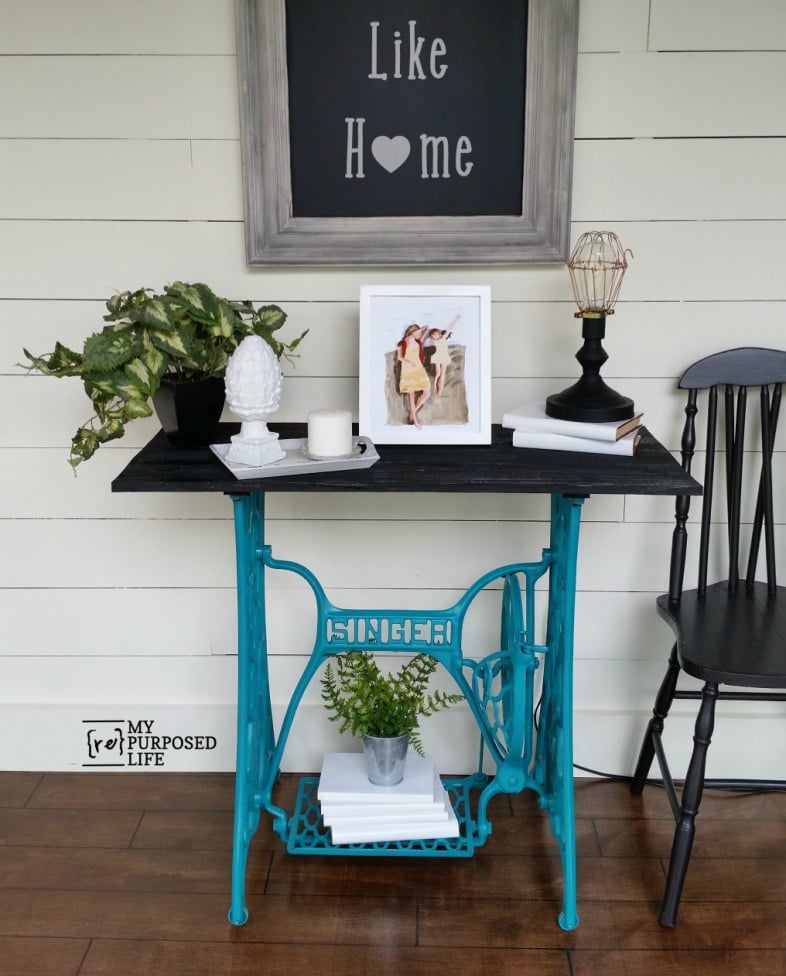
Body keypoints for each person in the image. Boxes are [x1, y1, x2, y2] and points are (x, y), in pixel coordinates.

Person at [396, 324, 430, 427]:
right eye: (417, 332)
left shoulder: (417, 340)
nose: (419, 333)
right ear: (412, 331)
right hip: (408, 369)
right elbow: (400, 357)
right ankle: (415, 420)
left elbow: (426, 329)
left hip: (418, 368)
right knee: (411, 395)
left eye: (419, 332)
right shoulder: (403, 342)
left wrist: (423, 329)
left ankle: (412, 412)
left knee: (426, 392)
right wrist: (410, 363)